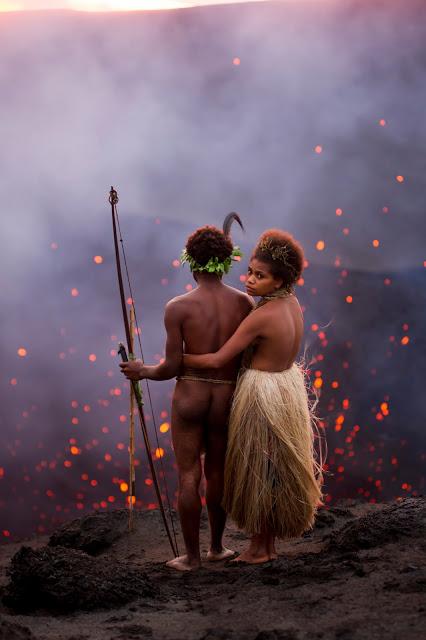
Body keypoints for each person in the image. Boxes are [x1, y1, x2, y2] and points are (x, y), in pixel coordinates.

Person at [120, 215, 253, 571]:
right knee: (218, 473)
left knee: (189, 475)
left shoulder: (177, 307)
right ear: (227, 261)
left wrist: (141, 371)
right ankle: (218, 548)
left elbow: (170, 367)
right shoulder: (245, 305)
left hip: (190, 396)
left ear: (190, 261)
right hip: (226, 396)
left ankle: (192, 558)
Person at [184, 229, 325, 564]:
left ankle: (259, 548)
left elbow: (219, 359)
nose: (248, 280)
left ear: (279, 280)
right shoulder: (291, 304)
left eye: (259, 276)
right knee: (275, 465)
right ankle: (267, 544)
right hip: (285, 388)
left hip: (263, 394)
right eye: (249, 271)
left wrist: (176, 362)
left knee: (261, 468)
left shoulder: (262, 316)